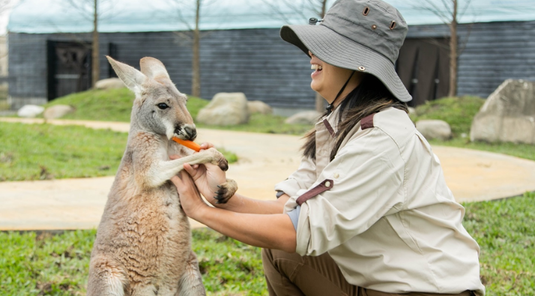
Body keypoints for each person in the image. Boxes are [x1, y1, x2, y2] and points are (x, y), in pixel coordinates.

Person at [171, 0, 485, 295]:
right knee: (281, 253)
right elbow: (291, 209)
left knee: (284, 244)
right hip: (379, 282)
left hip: (426, 290)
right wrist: (219, 194)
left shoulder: (382, 138)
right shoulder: (340, 125)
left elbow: (296, 231)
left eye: (324, 46)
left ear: (358, 63)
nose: (310, 53)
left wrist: (199, 210)